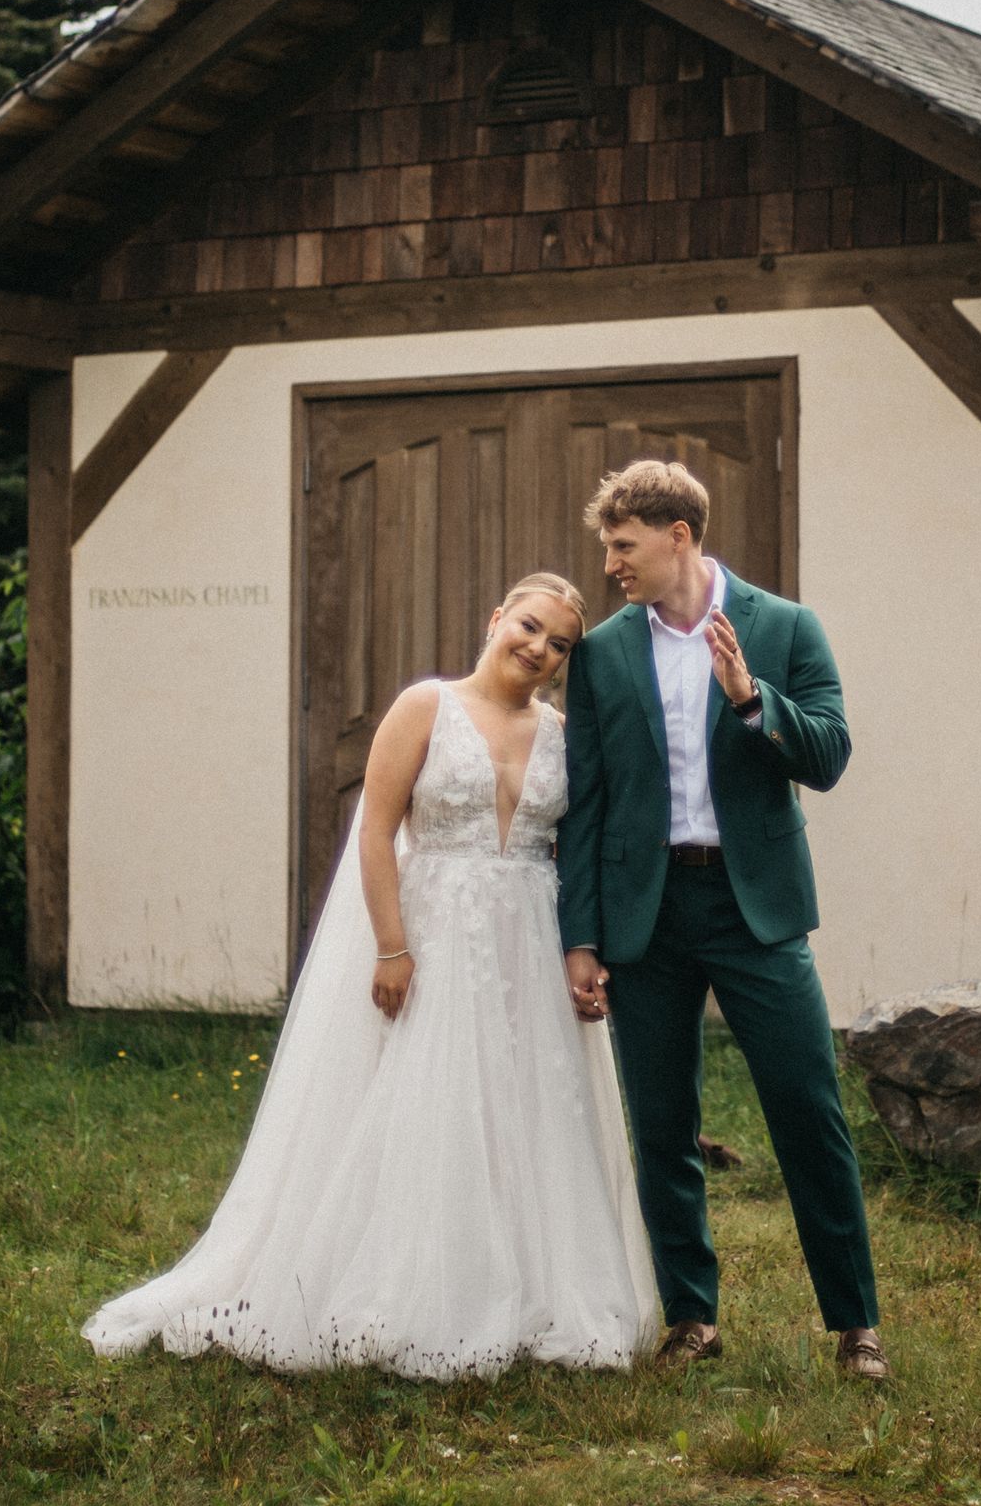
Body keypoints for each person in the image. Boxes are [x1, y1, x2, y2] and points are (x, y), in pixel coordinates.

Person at [83, 576, 659, 1380]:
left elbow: (572, 851)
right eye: (530, 626)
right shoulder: (426, 705)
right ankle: (416, 1282)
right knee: (430, 1098)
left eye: (560, 642)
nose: (540, 648)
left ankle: (533, 1285)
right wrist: (392, 945)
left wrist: (580, 950)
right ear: (496, 618)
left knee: (527, 1106)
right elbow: (378, 830)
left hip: (527, 936)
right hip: (435, 928)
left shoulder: (562, 733)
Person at [557, 461, 885, 1380]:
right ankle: (691, 1316)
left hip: (757, 908)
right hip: (644, 911)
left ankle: (856, 1324)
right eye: (608, 548)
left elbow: (828, 756)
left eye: (623, 546)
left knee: (808, 1110)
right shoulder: (604, 652)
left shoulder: (785, 627)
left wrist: (751, 699)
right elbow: (585, 803)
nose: (612, 565)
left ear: (679, 537)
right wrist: (579, 936)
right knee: (662, 1122)